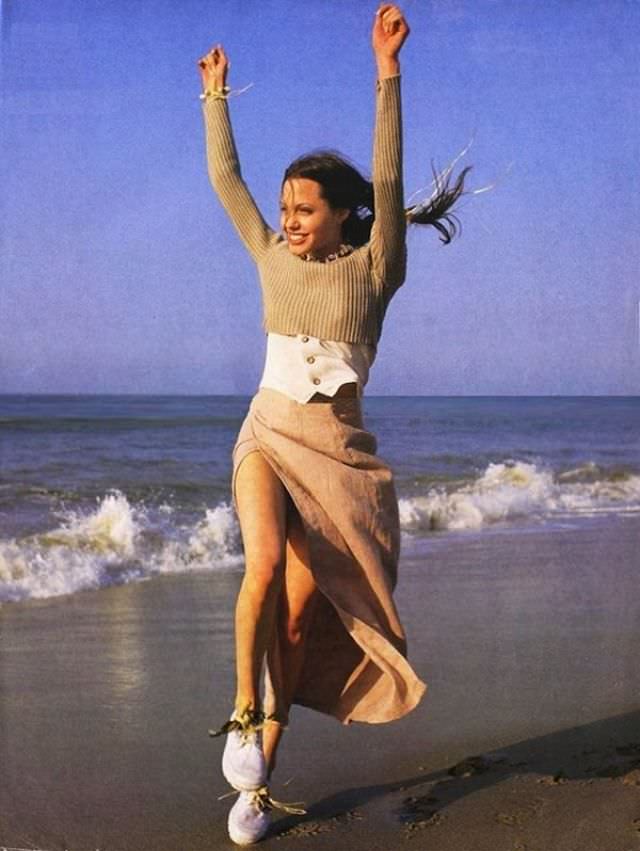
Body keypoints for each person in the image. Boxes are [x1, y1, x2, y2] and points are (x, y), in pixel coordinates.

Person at [197, 4, 469, 845]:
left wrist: (387, 73)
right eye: (287, 207)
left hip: (337, 458)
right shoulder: (271, 257)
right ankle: (242, 716)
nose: (289, 218)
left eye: (305, 207)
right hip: (267, 435)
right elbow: (228, 186)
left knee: (298, 622)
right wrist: (217, 100)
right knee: (265, 564)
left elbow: (387, 184)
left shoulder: (377, 266)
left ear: (342, 214)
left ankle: (260, 783)